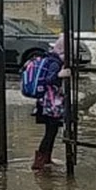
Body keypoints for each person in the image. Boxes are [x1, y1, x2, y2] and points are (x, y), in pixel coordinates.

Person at [32, 36, 72, 171]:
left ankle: (46, 159)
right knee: (50, 132)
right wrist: (60, 75)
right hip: (50, 105)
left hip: (47, 104)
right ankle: (39, 163)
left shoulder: (51, 59)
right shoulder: (55, 63)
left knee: (52, 131)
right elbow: (50, 80)